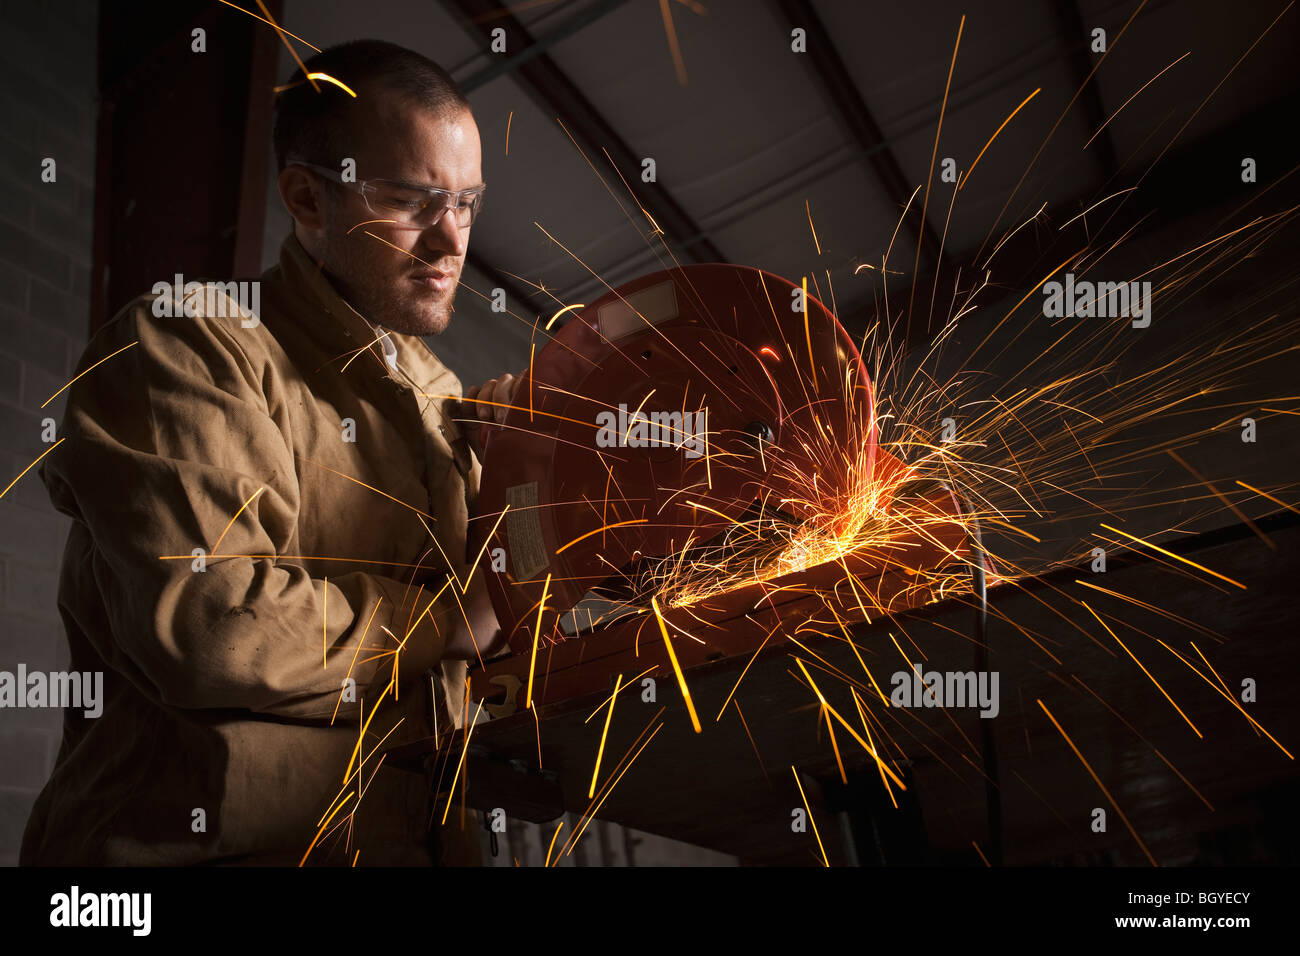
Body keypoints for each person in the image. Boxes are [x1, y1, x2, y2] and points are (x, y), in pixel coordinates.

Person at [21, 39, 519, 866]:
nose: (450, 241)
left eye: (465, 202)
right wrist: (445, 623)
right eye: (411, 200)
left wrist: (522, 485)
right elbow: (216, 624)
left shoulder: (440, 396)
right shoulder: (193, 343)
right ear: (307, 199)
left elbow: (501, 630)